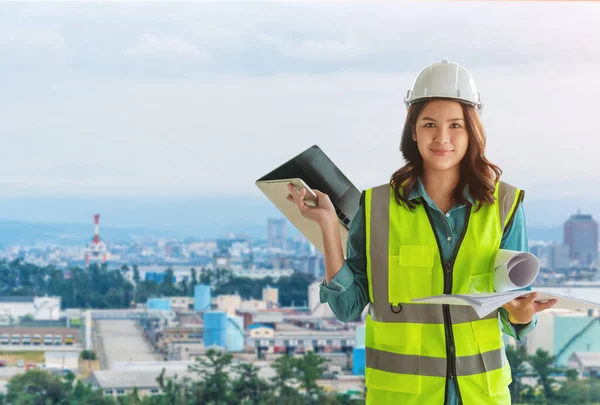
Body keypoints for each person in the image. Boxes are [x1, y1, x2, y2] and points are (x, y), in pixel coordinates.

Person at [287, 59, 557, 405]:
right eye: (430, 124)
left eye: (455, 125)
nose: (442, 137)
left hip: (481, 396)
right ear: (413, 130)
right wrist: (327, 226)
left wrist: (521, 316)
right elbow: (347, 306)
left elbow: (515, 305)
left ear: (471, 131)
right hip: (400, 397)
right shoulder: (376, 208)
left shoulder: (505, 205)